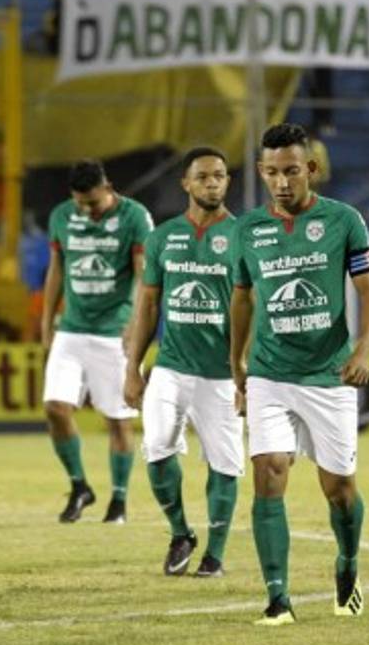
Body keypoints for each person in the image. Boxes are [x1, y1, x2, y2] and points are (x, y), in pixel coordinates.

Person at [229, 123, 369, 626]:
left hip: (328, 375)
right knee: (269, 471)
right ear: (260, 173)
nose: (281, 182)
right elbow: (243, 300)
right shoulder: (248, 230)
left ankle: (348, 563)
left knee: (338, 490)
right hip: (271, 374)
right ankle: (277, 598)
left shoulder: (344, 221)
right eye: (271, 173)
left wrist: (362, 351)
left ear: (310, 169)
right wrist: (238, 369)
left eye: (291, 171)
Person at [124, 147, 243, 578]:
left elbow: (253, 310)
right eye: (204, 176)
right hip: (170, 368)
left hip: (221, 375)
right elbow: (148, 306)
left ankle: (216, 553)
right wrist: (132, 368)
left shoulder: (243, 236)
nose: (213, 182)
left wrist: (246, 374)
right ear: (186, 184)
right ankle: (181, 533)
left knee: (225, 464)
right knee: (156, 451)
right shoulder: (163, 237)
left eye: (220, 175)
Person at [42, 159, 154, 524]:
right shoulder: (61, 216)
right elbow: (56, 268)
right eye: (80, 203)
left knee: (118, 420)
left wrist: (135, 324)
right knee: (55, 408)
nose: (85, 210)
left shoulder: (136, 217)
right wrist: (47, 322)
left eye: (92, 203)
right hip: (71, 328)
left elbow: (144, 276)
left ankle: (118, 501)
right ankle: (79, 486)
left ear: (108, 188)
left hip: (113, 333)